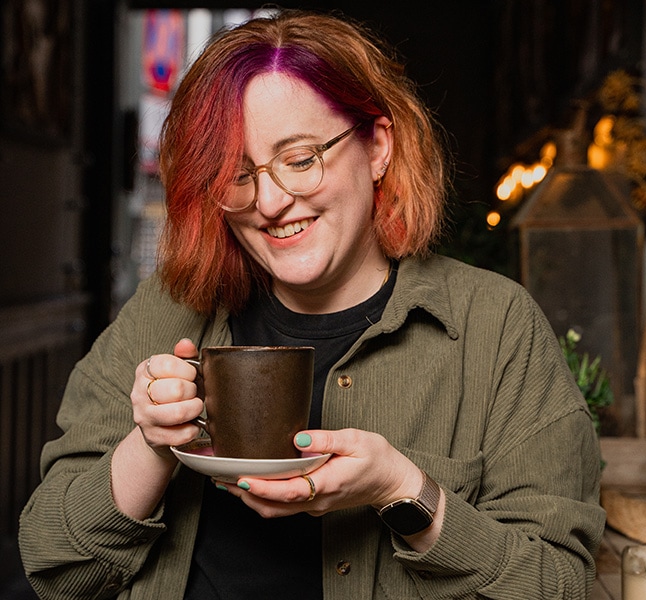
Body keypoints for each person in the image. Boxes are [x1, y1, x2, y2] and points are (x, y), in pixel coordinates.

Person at [19, 8, 605, 599]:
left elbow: (560, 584)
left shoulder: (494, 327)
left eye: (300, 159)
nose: (270, 202)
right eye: (236, 174)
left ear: (378, 145)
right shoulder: (168, 311)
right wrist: (151, 446)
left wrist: (400, 490)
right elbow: (51, 568)